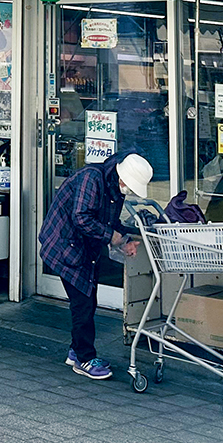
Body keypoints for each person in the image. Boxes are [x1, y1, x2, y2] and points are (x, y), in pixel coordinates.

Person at [38, 151, 152, 379]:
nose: (128, 191)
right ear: (123, 178)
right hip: (64, 244)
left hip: (79, 245)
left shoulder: (111, 185)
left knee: (86, 299)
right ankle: (84, 358)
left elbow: (108, 222)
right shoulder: (92, 178)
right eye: (129, 186)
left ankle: (77, 351)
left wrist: (124, 240)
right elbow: (82, 218)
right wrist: (115, 238)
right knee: (84, 302)